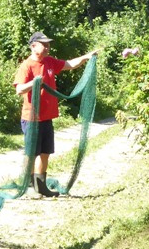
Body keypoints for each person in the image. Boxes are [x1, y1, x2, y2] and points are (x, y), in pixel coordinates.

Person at [13, 32, 97, 198]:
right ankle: (29, 186)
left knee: (45, 153)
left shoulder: (50, 62)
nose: (47, 47)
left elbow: (69, 64)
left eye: (48, 44)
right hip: (32, 118)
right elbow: (19, 89)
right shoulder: (27, 66)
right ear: (33, 46)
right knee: (32, 154)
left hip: (47, 118)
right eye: (43, 44)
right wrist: (34, 82)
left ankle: (41, 186)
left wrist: (86, 57)